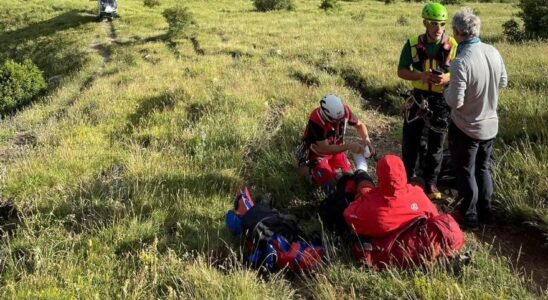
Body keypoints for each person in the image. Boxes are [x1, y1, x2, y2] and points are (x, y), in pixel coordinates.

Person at [444, 8, 508, 229]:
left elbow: (455, 101)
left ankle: (469, 215)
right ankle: (486, 211)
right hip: (491, 123)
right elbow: (502, 82)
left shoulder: (461, 61)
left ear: (458, 32)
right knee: (483, 168)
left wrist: (446, 87)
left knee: (465, 169)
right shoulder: (493, 51)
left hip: (467, 126)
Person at [343, 155, 465, 268]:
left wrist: (366, 194)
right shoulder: (417, 193)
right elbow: (434, 215)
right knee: (418, 181)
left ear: (380, 179)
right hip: (419, 242)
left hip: (393, 251)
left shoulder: (373, 208)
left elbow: (348, 215)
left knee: (362, 185)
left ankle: (361, 169)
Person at [397, 2, 458, 200]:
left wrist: (447, 78)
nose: (438, 28)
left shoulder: (454, 45)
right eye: (433, 23)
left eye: (441, 24)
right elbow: (401, 71)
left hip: (441, 99)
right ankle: (407, 177)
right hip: (417, 97)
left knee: (437, 143)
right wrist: (420, 76)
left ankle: (431, 181)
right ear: (425, 23)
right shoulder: (413, 43)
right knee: (410, 141)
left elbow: (462, 72)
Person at [296, 94, 374, 194]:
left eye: (340, 119)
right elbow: (325, 148)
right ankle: (306, 170)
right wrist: (349, 146)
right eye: (334, 121)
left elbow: (360, 125)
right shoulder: (316, 120)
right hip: (318, 153)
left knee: (350, 179)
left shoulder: (344, 111)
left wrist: (366, 139)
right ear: (325, 114)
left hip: (337, 150)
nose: (338, 123)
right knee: (329, 185)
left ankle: (333, 172)